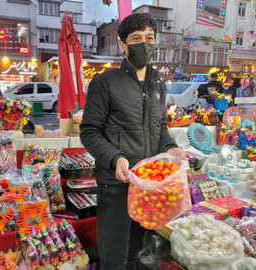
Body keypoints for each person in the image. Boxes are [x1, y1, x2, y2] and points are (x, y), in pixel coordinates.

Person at [80, 13, 187, 270]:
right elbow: (89, 131)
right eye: (136, 38)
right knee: (115, 256)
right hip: (117, 185)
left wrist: (171, 147)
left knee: (141, 254)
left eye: (149, 38)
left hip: (150, 187)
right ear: (122, 45)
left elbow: (160, 127)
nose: (144, 44)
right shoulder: (104, 82)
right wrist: (115, 157)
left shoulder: (157, 85)